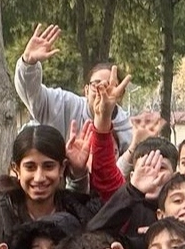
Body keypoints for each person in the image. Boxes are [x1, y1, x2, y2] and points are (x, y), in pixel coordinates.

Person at [15, 23, 135, 157]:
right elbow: (33, 96)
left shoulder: (129, 131)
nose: (102, 91)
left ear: (120, 94)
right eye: (96, 84)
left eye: (109, 86)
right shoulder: (65, 105)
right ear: (86, 90)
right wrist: (29, 64)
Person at [0, 125, 101, 234]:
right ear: (17, 169)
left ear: (62, 168)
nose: (39, 178)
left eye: (48, 166)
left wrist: (78, 171)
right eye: (30, 167)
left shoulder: (78, 215)